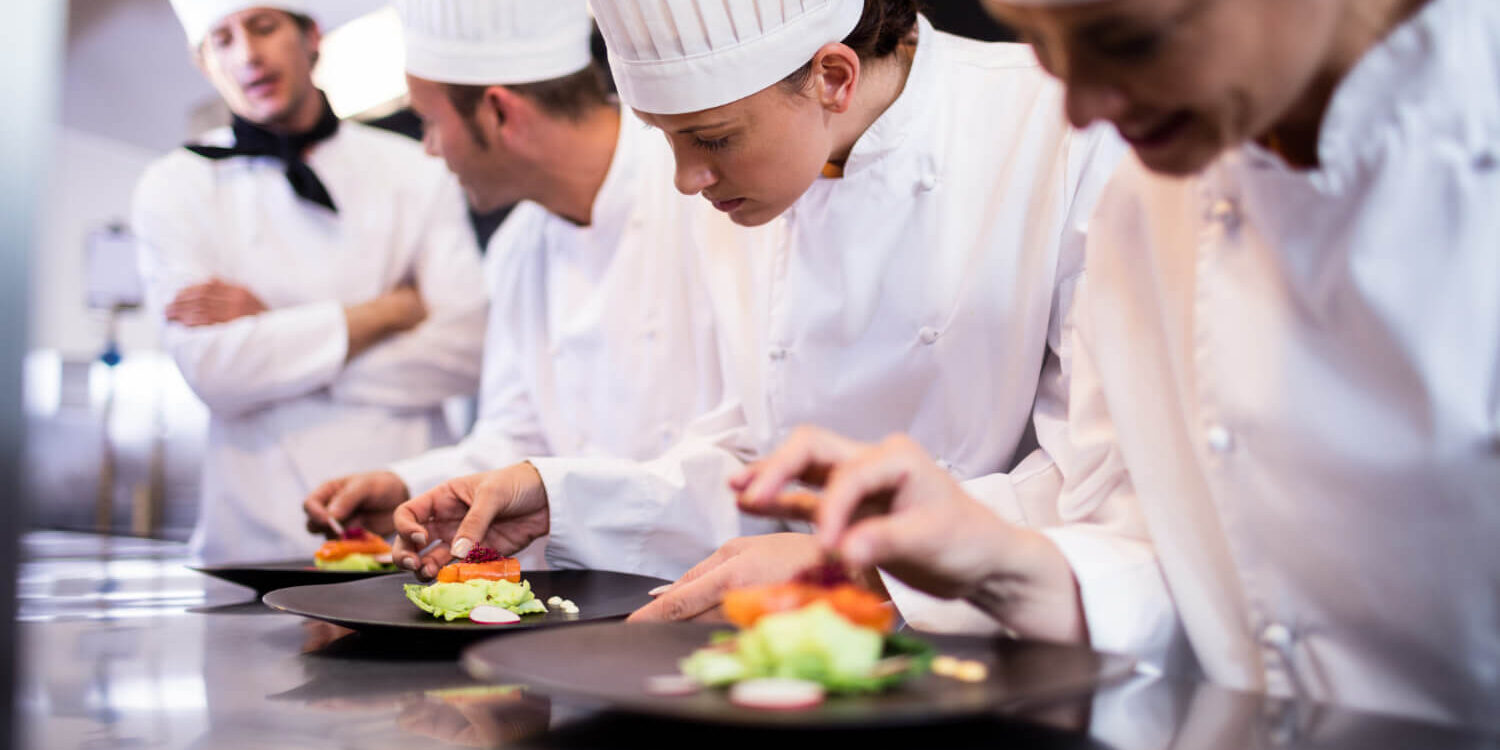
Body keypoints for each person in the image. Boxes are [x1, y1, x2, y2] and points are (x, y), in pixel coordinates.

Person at [736, 0, 1500, 731]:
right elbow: (1184, 578)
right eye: (1043, 43)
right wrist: (997, 559)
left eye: (1131, 40)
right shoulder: (1146, 205)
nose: (1080, 110)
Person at [392, 0, 1128, 625]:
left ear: (833, 77)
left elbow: (1098, 489)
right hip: (811, 651)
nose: (686, 179)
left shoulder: (1062, 128)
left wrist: (858, 564)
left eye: (711, 138)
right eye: (665, 137)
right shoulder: (753, 189)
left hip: (1013, 648)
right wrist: (564, 499)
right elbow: (762, 462)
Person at [300, 0, 777, 576]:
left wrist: (564, 497)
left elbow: (759, 451)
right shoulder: (518, 247)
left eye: (430, 121)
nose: (429, 148)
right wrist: (407, 486)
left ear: (500, 112)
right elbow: (516, 436)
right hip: (586, 600)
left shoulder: (720, 192)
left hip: (738, 588)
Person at [134, 0, 486, 563]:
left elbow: (466, 350)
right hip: (251, 541)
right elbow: (212, 371)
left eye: (264, 27)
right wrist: (386, 313)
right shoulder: (174, 185)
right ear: (203, 64)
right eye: (222, 40)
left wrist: (273, 334)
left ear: (312, 37)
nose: (248, 54)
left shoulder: (417, 169)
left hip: (411, 531)